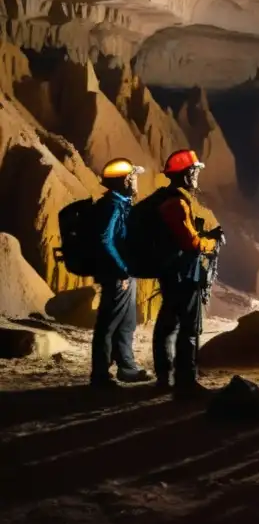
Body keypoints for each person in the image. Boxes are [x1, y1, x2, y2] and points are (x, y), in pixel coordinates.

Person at [151, 149, 224, 399]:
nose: (197, 176)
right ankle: (185, 381)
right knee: (189, 328)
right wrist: (211, 243)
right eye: (194, 171)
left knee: (168, 325)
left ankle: (165, 378)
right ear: (185, 174)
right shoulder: (176, 203)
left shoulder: (168, 200)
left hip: (173, 271)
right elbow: (190, 242)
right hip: (183, 274)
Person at [90, 158, 150, 388]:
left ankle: (127, 368)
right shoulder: (112, 205)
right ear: (126, 180)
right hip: (117, 274)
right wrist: (121, 270)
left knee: (126, 322)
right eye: (134, 177)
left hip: (124, 272)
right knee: (109, 323)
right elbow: (105, 239)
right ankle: (100, 376)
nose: (136, 181)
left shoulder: (121, 203)